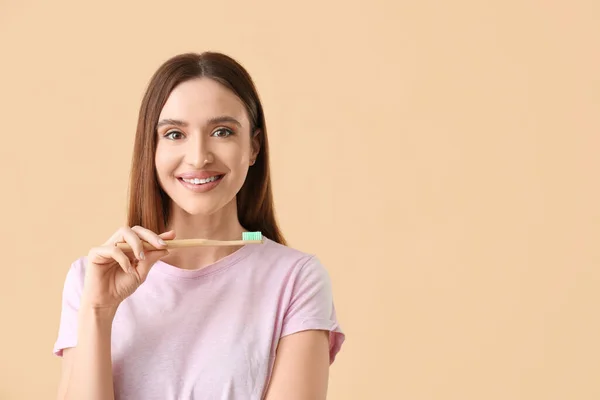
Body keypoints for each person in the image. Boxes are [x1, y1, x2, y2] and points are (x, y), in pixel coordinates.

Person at [53, 51, 345, 400]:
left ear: (253, 147)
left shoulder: (297, 279)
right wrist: (98, 312)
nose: (198, 157)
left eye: (222, 131)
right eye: (175, 134)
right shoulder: (89, 280)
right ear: (152, 149)